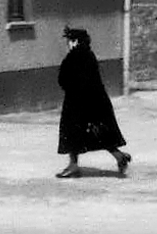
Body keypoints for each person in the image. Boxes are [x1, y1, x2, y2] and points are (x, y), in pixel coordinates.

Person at [56, 27, 131, 178]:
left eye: (70, 41)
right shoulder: (89, 55)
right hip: (96, 101)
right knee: (99, 133)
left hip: (78, 102)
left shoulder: (75, 56)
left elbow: (65, 79)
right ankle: (119, 156)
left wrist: (70, 88)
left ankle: (73, 165)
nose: (68, 44)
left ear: (75, 41)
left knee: (72, 133)